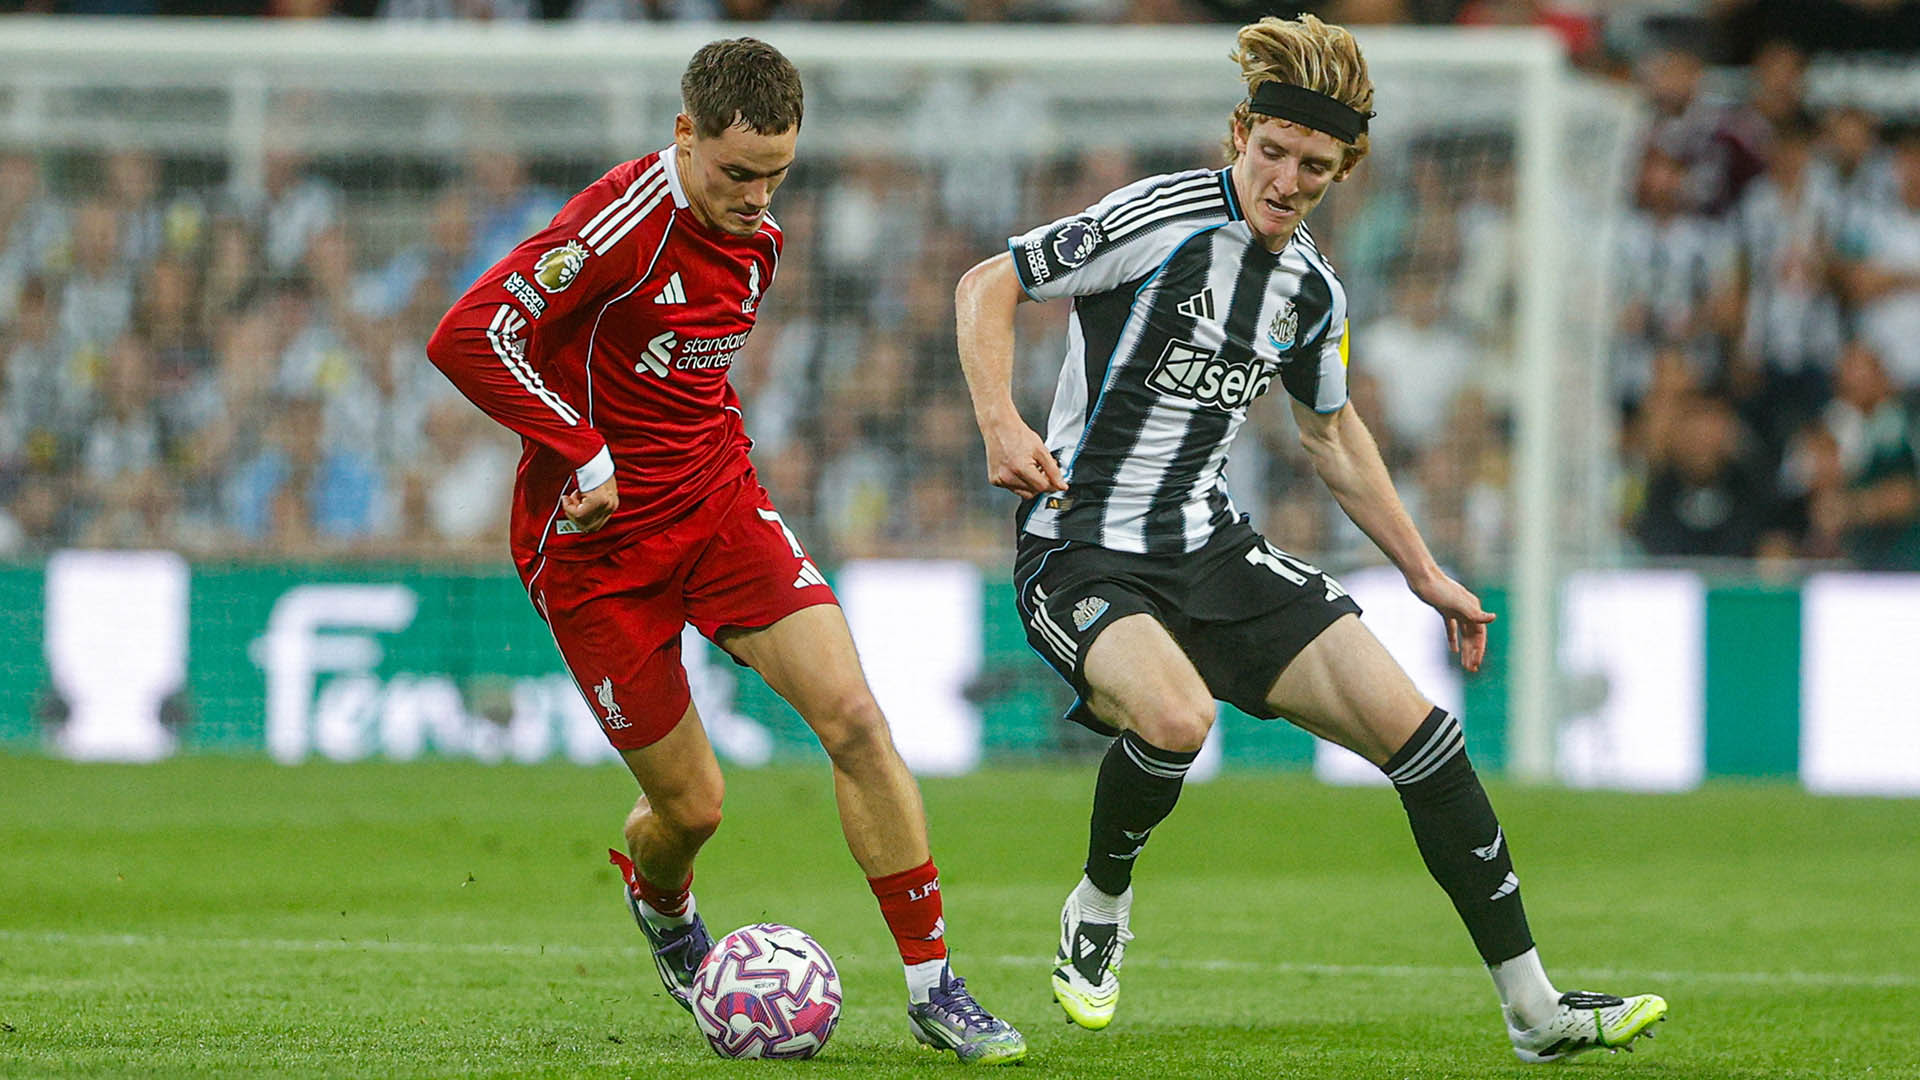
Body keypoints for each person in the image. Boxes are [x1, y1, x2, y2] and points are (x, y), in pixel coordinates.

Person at [952, 14, 1667, 1063]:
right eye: (1275, 152)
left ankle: (1536, 1010)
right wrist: (1000, 423)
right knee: (1177, 717)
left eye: (1315, 168)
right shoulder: (1161, 218)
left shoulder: (1313, 291)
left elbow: (1331, 436)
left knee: (1424, 737)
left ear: (1343, 172)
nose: (1287, 181)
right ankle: (1100, 904)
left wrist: (1426, 573)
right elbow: (988, 282)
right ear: (1241, 133)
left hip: (1210, 548)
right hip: (1081, 543)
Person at [425, 38, 1025, 1065]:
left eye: (776, 174)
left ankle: (936, 986)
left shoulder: (761, 240)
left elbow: (686, 381)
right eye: (738, 172)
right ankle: (663, 905)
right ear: (684, 134)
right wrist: (580, 447)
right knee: (692, 808)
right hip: (597, 554)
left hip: (717, 510)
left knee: (855, 718)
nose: (756, 197)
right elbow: (467, 336)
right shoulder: (619, 225)